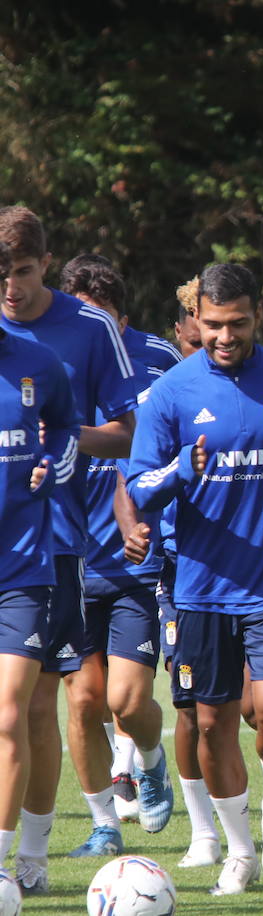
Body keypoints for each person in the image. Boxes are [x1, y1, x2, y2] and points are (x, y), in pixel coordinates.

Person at [126, 263, 263, 894]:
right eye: (214, 325)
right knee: (213, 724)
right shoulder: (171, 393)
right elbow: (138, 485)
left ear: (256, 317)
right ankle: (239, 849)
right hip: (200, 587)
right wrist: (177, 475)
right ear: (196, 318)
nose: (225, 336)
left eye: (238, 324)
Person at [0, 207, 140, 895]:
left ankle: (29, 859)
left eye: (22, 274)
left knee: (34, 708)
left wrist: (61, 451)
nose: (11, 290)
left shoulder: (85, 332)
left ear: (44, 265)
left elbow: (127, 430)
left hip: (50, 546)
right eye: (1, 277)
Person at [55, 254, 179, 857]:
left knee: (127, 701)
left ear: (121, 322)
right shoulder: (50, 363)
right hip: (69, 561)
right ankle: (103, 821)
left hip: (138, 565)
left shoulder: (160, 362)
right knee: (83, 698)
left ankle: (152, 761)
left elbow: (179, 450)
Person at [0, 240, 81, 877]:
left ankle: (16, 860)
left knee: (17, 713)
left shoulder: (39, 364)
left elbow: (68, 431)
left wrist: (54, 464)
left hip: (25, 568)